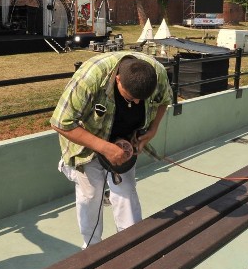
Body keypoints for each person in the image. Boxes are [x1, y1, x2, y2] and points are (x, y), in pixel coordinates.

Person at [51, 52, 172, 248]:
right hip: (87, 141)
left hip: (124, 138)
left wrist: (153, 129)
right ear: (118, 80)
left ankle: (130, 244)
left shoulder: (156, 72)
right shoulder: (90, 77)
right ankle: (92, 248)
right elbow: (60, 122)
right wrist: (104, 147)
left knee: (126, 191)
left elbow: (165, 99)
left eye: (143, 99)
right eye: (131, 97)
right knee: (90, 195)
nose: (137, 103)